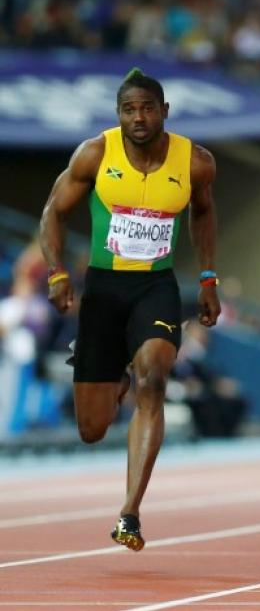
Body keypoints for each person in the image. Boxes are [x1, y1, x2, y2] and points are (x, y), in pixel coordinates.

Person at [39, 68, 221, 550]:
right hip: (103, 290)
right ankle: (116, 370)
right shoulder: (96, 153)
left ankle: (129, 512)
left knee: (155, 377)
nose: (138, 118)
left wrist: (207, 277)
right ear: (118, 114)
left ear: (164, 111)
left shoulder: (195, 161)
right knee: (92, 430)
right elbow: (53, 212)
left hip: (156, 286)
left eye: (147, 108)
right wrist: (57, 273)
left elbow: (202, 211)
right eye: (129, 109)